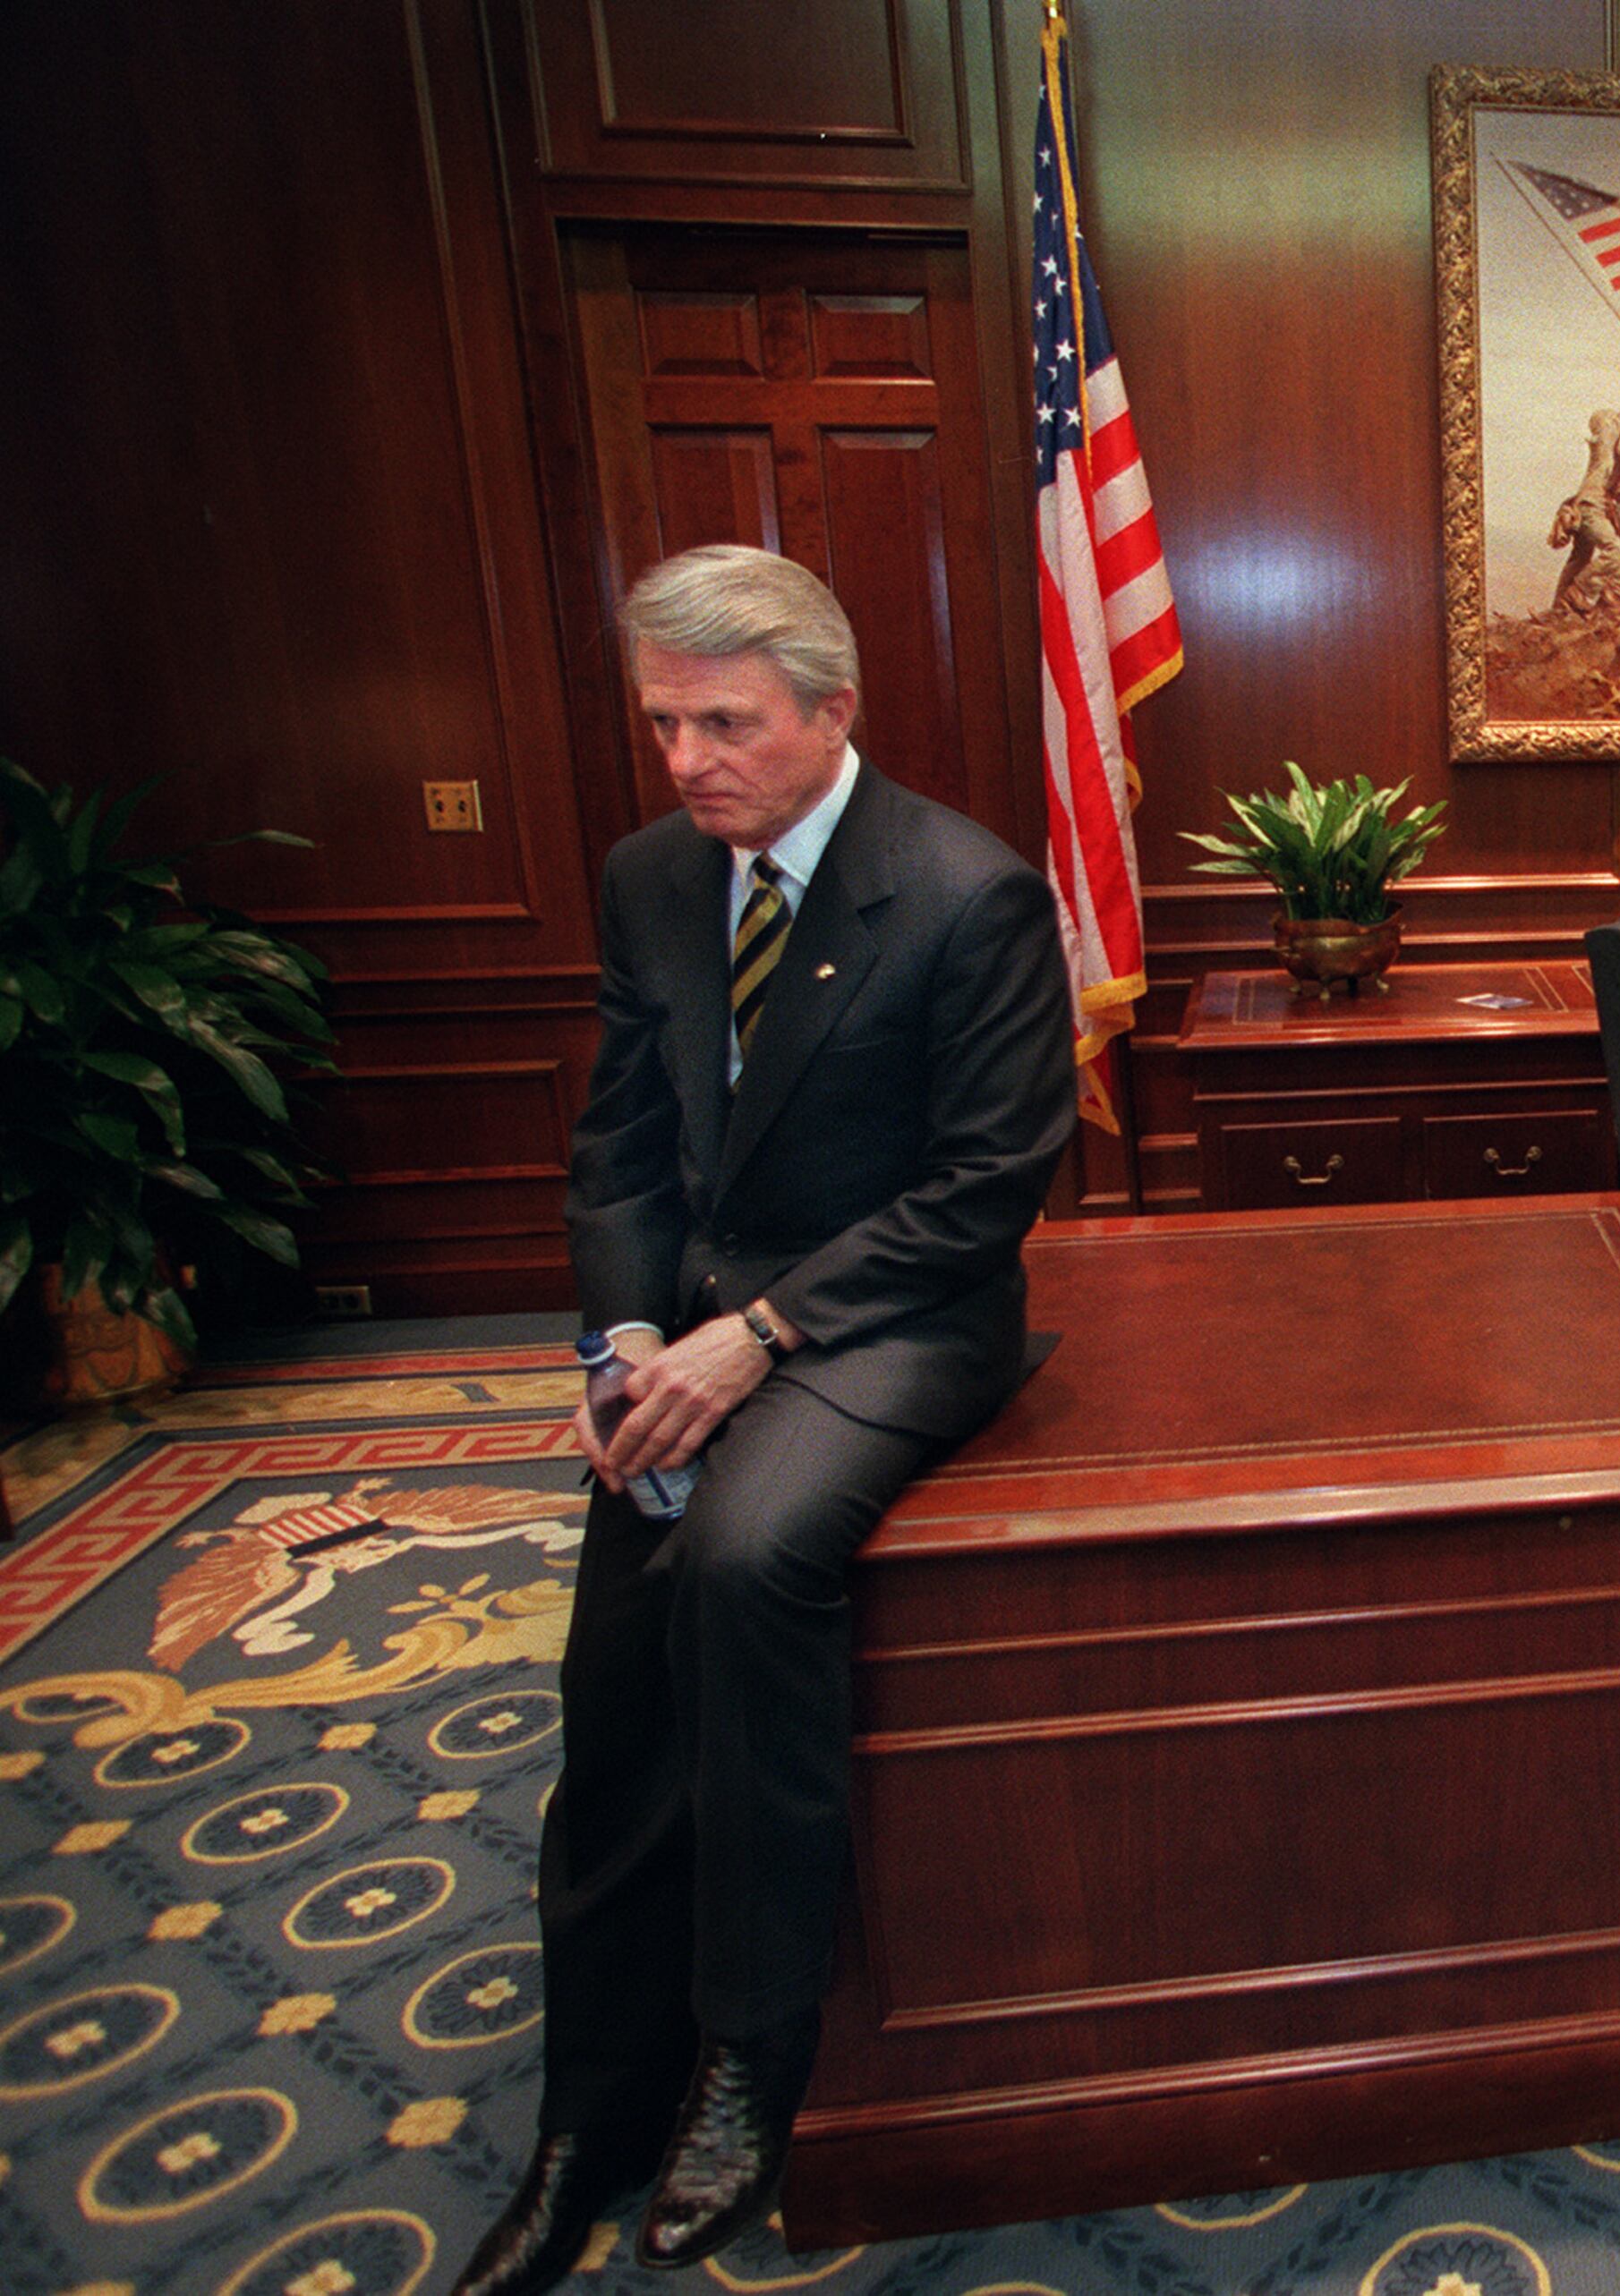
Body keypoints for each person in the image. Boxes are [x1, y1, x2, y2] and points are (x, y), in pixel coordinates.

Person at [452, 546, 1075, 2296]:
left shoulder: (966, 891)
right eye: (664, 723)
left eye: (724, 721)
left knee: (742, 1552)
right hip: (695, 1318)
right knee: (613, 1657)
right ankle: (593, 2098)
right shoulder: (653, 878)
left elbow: (987, 1185)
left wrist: (756, 1335)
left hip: (893, 1316)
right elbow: (621, 1141)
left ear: (830, 710)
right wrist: (627, 1334)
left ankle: (754, 2039)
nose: (687, 759)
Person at [1548, 369, 1620, 614]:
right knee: (1615, 551)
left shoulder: (1613, 451)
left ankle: (1559, 608)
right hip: (1591, 508)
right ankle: (1580, 592)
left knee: (1579, 558)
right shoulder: (1606, 441)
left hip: (1585, 507)